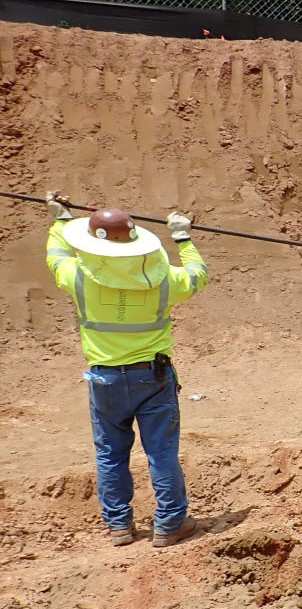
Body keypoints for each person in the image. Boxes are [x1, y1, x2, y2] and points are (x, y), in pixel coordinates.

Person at [44, 192, 210, 547]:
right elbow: (197, 276)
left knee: (110, 453)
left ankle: (119, 526)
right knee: (161, 452)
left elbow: (56, 256)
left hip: (104, 380)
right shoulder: (163, 280)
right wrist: (182, 237)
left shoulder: (78, 279)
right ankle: (169, 525)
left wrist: (60, 219)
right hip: (153, 377)